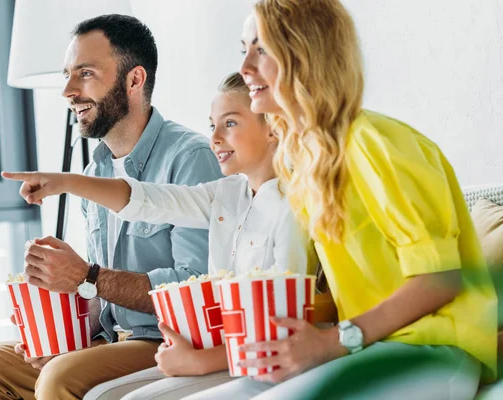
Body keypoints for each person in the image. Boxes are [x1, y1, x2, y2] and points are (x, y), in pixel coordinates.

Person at [185, 1, 498, 399]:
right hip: (372, 349)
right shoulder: (308, 164)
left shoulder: (373, 142)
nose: (245, 66)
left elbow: (440, 279)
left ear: (305, 52)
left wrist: (333, 341)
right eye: (244, 49)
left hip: (435, 350)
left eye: (261, 49)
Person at [3, 71, 323, 400]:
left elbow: (285, 333)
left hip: (262, 365)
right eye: (212, 125)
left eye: (229, 124)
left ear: (273, 127)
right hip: (221, 352)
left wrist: (200, 361)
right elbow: (149, 200)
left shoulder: (293, 208)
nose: (213, 138)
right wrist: (66, 183)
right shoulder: (227, 194)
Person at [0, 14, 222, 400]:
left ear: (134, 80)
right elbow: (102, 297)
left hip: (164, 342)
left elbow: (192, 288)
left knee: (59, 377)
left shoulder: (188, 157)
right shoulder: (95, 167)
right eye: (67, 75)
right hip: (111, 338)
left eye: (84, 73)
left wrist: (88, 274)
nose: (67, 90)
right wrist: (56, 321)